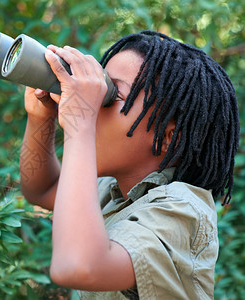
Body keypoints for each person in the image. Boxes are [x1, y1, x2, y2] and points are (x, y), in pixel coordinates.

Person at [19, 30, 240, 299]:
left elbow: (77, 267)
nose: (95, 105)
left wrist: (81, 123)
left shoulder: (182, 209)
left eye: (110, 95)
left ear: (168, 138)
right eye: (98, 88)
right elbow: (43, 189)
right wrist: (41, 116)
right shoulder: (114, 190)